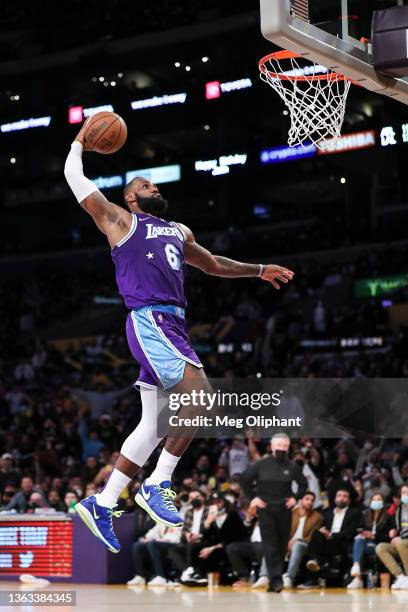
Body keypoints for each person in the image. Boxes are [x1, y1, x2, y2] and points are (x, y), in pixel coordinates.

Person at [64, 122, 295, 553]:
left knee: (152, 425)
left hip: (172, 325)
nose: (153, 186)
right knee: (201, 398)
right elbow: (76, 179)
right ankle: (157, 482)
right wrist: (80, 142)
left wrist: (258, 270)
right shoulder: (119, 220)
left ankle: (103, 501)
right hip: (150, 320)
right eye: (145, 183)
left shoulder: (178, 230)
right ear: (132, 196)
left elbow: (212, 264)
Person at [239, 433, 308, 592]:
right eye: (279, 446)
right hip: (266, 510)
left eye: (285, 446)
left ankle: (274, 581)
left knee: (282, 545)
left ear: (289, 448)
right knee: (270, 546)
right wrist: (253, 498)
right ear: (272, 446)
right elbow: (244, 480)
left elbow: (303, 484)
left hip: (285, 509)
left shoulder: (292, 466)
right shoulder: (262, 464)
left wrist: (295, 499)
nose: (282, 449)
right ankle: (276, 581)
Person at [300, 488, 361, 589]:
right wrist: (323, 531)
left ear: (349, 500)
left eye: (344, 496)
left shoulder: (354, 513)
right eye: (339, 495)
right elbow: (323, 527)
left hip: (342, 542)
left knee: (318, 544)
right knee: (316, 533)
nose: (341, 498)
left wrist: (332, 535)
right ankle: (314, 564)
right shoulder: (327, 513)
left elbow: (351, 531)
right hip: (326, 541)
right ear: (335, 498)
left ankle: (313, 574)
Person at [347, 492, 392, 589]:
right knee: (359, 538)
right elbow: (359, 528)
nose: (376, 501)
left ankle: (357, 577)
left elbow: (389, 537)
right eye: (374, 499)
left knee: (362, 545)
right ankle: (357, 570)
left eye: (379, 499)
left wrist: (374, 536)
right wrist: (363, 533)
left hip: (379, 544)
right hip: (365, 542)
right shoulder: (366, 515)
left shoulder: (388, 517)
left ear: (383, 502)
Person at [282, 491, 323, 588]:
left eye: (312, 500)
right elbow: (283, 530)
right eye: (307, 499)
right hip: (287, 543)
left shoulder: (317, 517)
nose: (310, 502)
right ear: (300, 501)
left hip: (304, 544)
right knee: (272, 545)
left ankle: (289, 577)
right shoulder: (291, 512)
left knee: (297, 545)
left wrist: (297, 540)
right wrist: (286, 541)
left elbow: (313, 537)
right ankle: (267, 576)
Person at [127, 522, 181, 587]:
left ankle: (161, 576)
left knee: (152, 544)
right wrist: (146, 538)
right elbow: (153, 531)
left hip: (173, 544)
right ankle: (140, 576)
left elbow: (176, 537)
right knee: (138, 545)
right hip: (160, 543)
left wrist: (160, 540)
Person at [376, 483, 408, 590]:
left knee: (400, 542)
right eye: (404, 492)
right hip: (402, 543)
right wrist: (394, 531)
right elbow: (400, 528)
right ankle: (400, 576)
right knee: (381, 547)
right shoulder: (398, 509)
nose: (406, 494)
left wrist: (401, 538)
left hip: (403, 542)